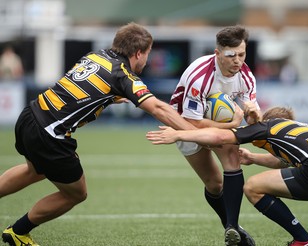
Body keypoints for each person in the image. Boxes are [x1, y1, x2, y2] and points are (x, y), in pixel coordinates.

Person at [0, 22, 196, 246]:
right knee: (76, 194)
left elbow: (87, 90)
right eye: (148, 54)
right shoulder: (122, 76)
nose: (147, 60)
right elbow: (159, 109)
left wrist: (113, 97)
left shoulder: (97, 56)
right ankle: (18, 231)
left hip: (30, 114)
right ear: (139, 52)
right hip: (50, 134)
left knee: (35, 170)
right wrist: (196, 134)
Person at [146, 106, 308, 245]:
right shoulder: (303, 127)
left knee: (253, 187)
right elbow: (285, 159)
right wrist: (254, 158)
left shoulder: (267, 126)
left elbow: (221, 137)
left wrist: (179, 134)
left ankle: (304, 241)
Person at [169, 25, 261, 245]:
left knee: (231, 160)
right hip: (184, 123)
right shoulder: (200, 76)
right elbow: (193, 121)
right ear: (217, 53)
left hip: (221, 124)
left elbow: (252, 119)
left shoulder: (246, 76)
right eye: (231, 55)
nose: (238, 60)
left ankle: (233, 228)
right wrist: (231, 123)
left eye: (242, 54)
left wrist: (253, 114)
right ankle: (230, 224)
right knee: (214, 184)